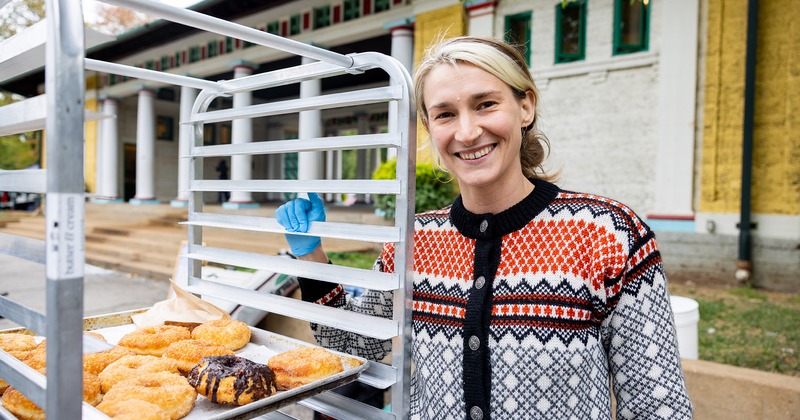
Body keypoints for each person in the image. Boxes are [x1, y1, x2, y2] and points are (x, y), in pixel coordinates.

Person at [276, 36, 693, 419]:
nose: (467, 131)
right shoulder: (413, 242)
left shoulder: (610, 235)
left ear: (526, 106)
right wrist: (311, 257)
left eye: (486, 104)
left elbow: (658, 405)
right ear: (429, 129)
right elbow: (356, 346)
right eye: (444, 114)